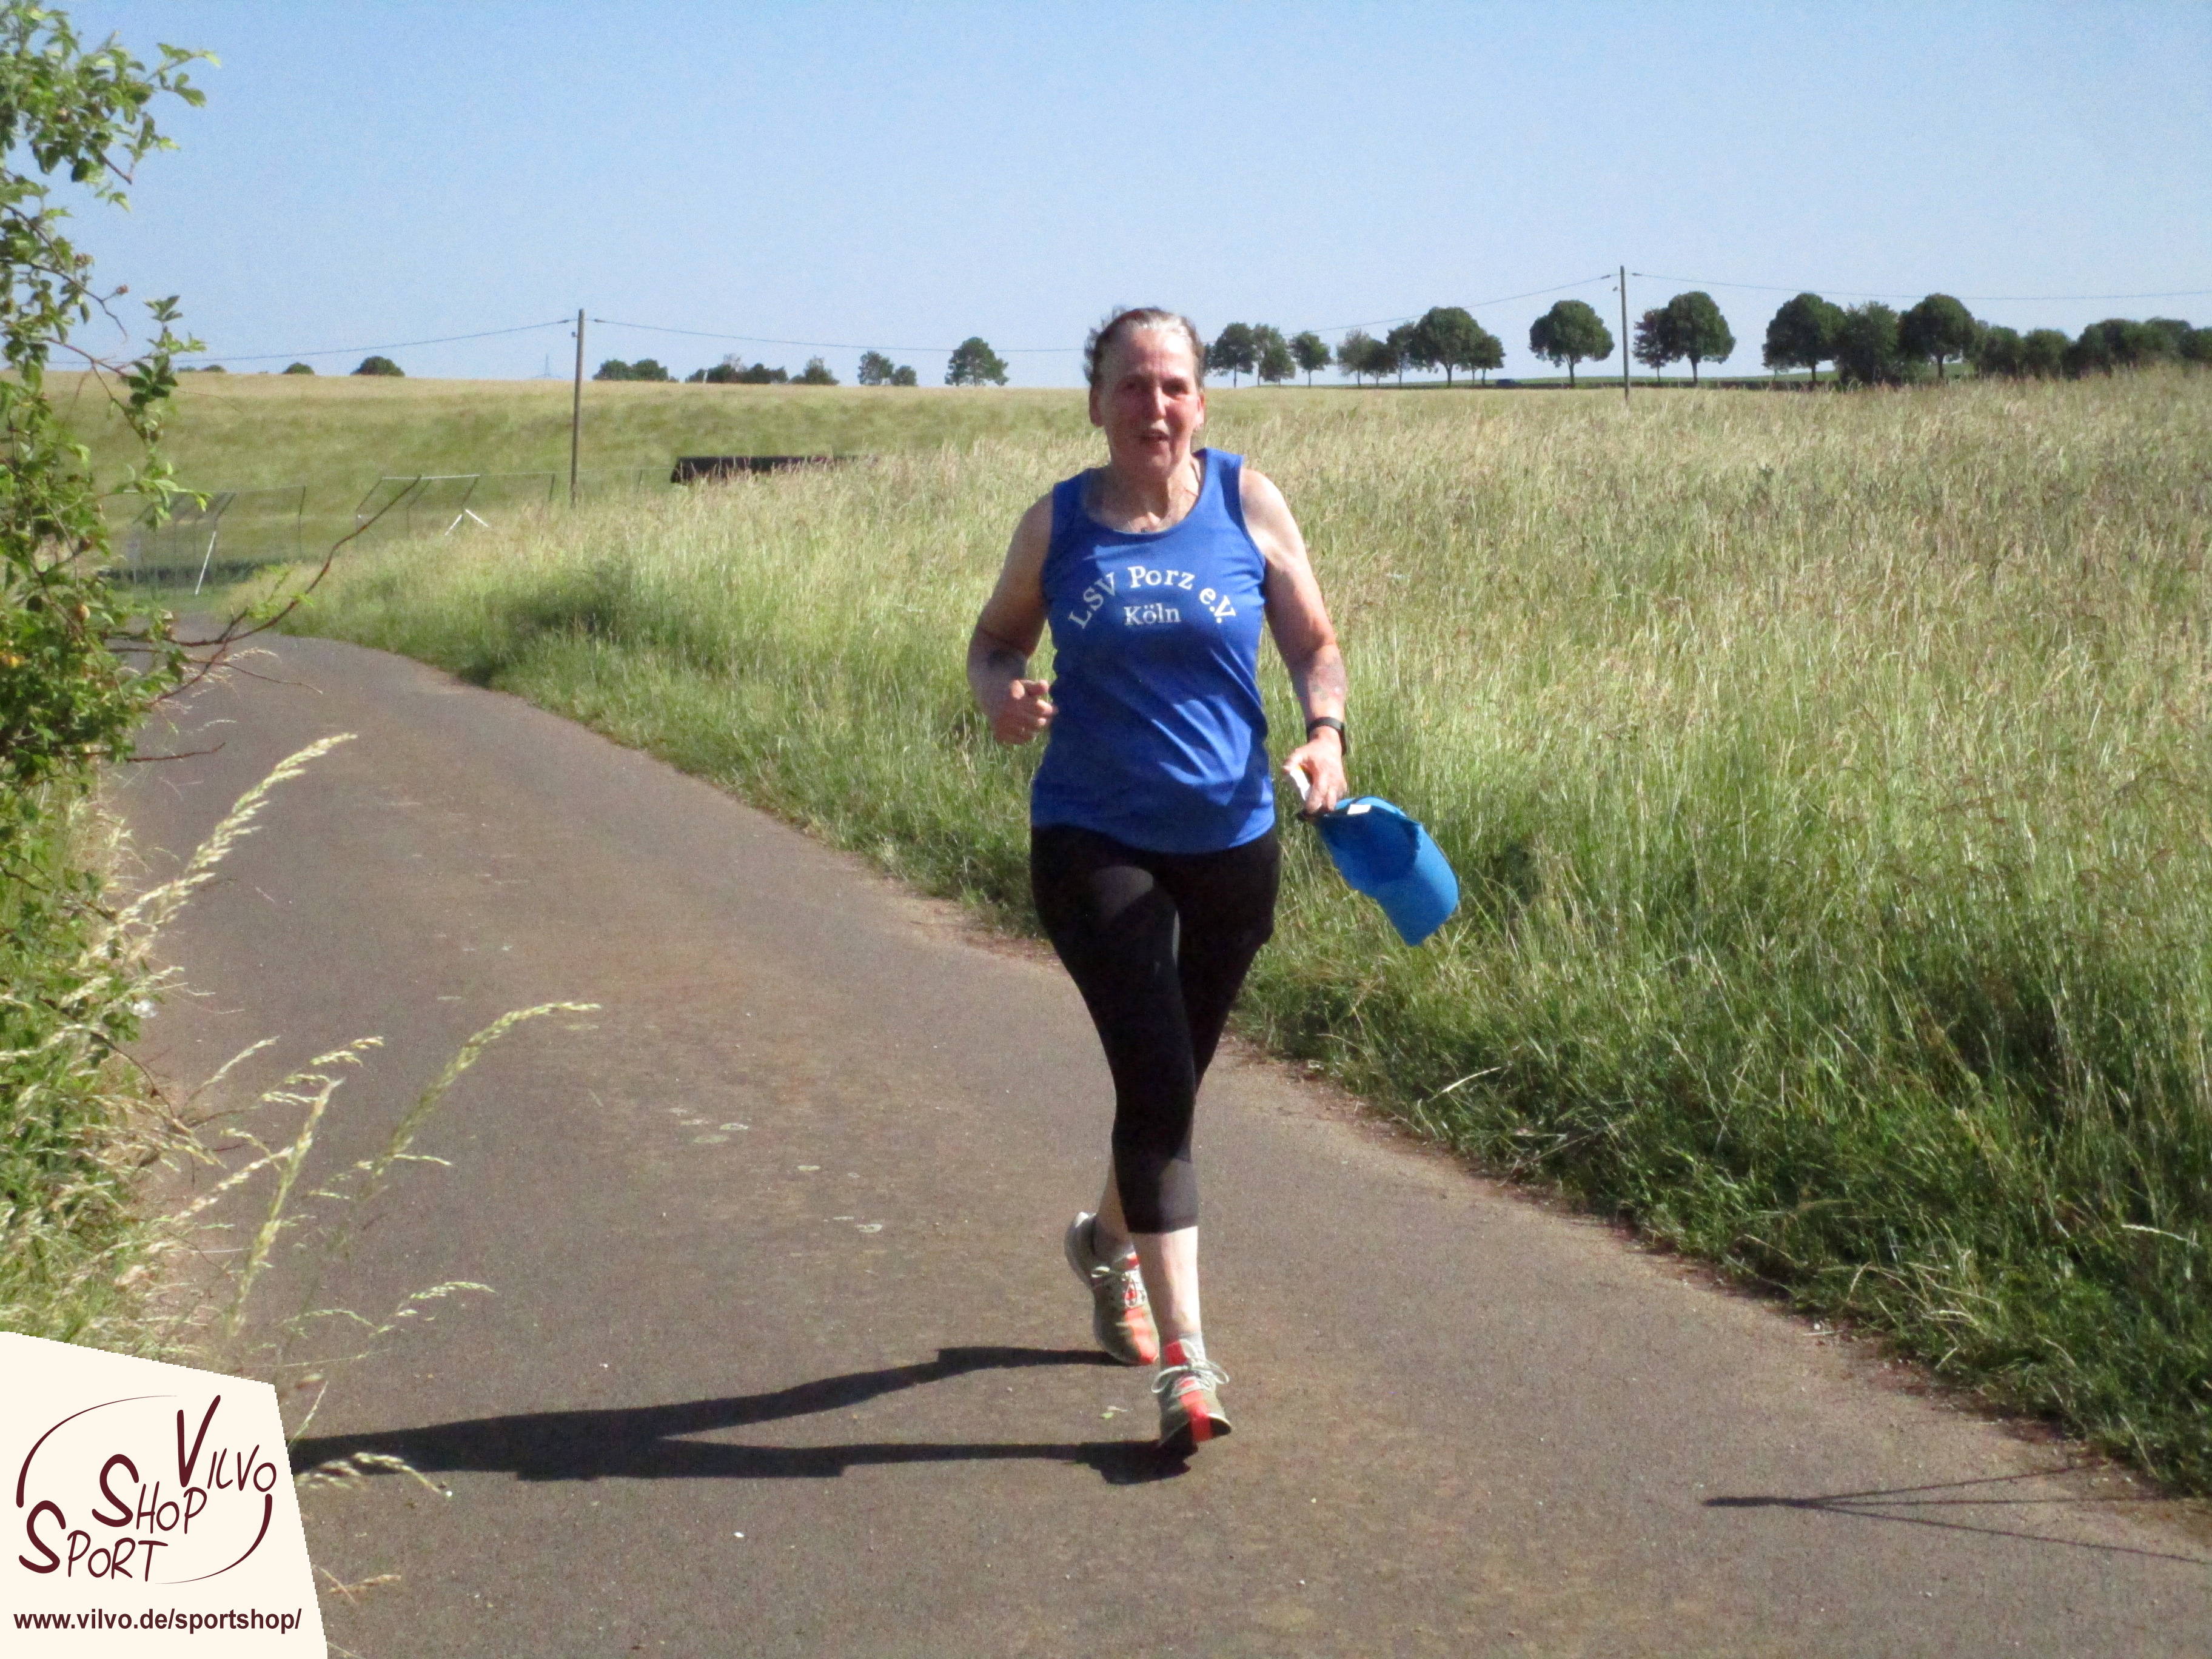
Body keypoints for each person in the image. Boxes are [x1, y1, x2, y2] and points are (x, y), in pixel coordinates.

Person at [966, 306, 1349, 1454]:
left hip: (1233, 839)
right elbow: (995, 643)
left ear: (1202, 401)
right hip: (1094, 836)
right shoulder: (1058, 522)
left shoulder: (1249, 501)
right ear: (1097, 404)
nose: (1155, 406)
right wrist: (1001, 696)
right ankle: (1188, 1361)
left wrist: (1325, 734)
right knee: (1155, 1074)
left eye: (1174, 385)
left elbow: (1313, 645)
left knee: (1170, 1088)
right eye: (1132, 386)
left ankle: (1103, 1244)